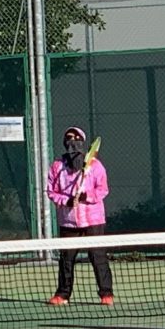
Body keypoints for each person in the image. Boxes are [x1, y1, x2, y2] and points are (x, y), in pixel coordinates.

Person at [44, 127, 113, 306]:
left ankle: (106, 294)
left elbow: (103, 189)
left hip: (93, 220)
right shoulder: (57, 166)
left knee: (98, 257)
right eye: (69, 138)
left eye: (76, 139)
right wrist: (66, 201)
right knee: (66, 259)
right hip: (68, 221)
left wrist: (86, 196)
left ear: (82, 142)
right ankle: (63, 294)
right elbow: (51, 191)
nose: (73, 142)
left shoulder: (96, 166)